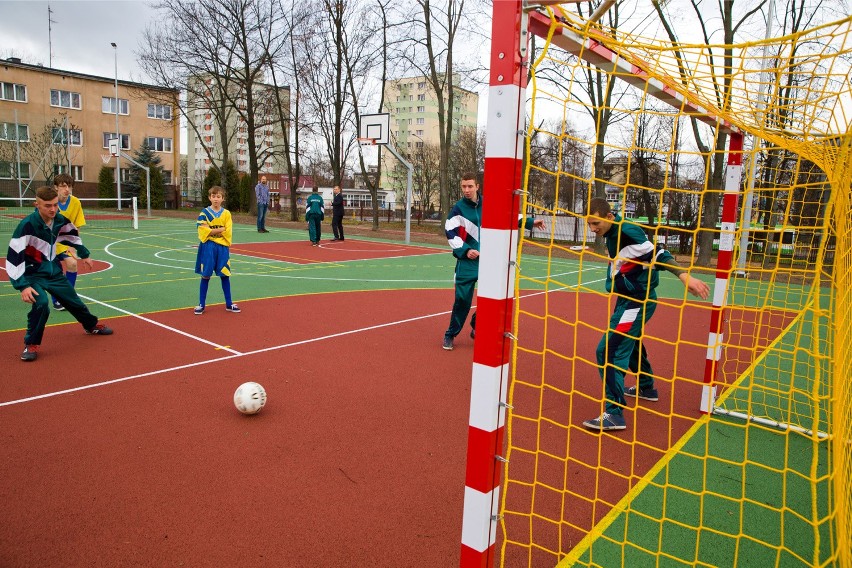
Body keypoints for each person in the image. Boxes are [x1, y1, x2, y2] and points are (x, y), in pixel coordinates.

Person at [582, 197, 710, 431]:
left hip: (636, 302)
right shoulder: (612, 233)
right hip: (627, 299)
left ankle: (614, 413)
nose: (592, 229)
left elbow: (658, 254)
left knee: (608, 350)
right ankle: (646, 386)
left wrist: (684, 276)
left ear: (609, 217)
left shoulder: (627, 231)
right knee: (631, 342)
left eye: (595, 223)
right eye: (589, 224)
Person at [6, 186, 113, 362]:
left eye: (55, 205)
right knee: (41, 305)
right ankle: (31, 344)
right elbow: (13, 257)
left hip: (53, 271)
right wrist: (23, 286)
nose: (53, 209)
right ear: (37, 205)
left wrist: (84, 254)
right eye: (48, 205)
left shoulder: (59, 220)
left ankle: (90, 326)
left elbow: (72, 236)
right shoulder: (26, 226)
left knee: (73, 300)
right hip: (32, 275)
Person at [442, 173, 545, 350]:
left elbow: (508, 214)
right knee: (462, 301)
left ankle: (476, 325)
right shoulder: (457, 209)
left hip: (487, 260)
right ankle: (450, 335)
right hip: (467, 261)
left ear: (477, 187)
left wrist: (530, 222)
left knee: (489, 299)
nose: (466, 190)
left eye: (470, 186)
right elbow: (450, 232)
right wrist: (466, 251)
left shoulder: (489, 203)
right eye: (464, 187)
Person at [194, 185, 240, 315]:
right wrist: (219, 230)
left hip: (222, 247)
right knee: (206, 275)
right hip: (208, 247)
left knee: (225, 274)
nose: (216, 199)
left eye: (218, 196)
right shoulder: (204, 213)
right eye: (213, 196)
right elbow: (203, 231)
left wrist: (212, 230)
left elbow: (228, 231)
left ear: (222, 199)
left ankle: (229, 304)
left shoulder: (226, 214)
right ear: (209, 197)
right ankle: (201, 304)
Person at [50, 173, 85, 311]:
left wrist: (74, 245)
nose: (67, 189)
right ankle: (57, 301)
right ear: (56, 187)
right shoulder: (49, 202)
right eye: (63, 186)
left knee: (72, 263)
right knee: (54, 271)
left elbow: (77, 226)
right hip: (48, 241)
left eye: (69, 186)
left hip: (64, 242)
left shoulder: (75, 202)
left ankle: (67, 297)